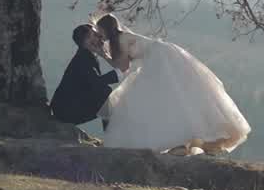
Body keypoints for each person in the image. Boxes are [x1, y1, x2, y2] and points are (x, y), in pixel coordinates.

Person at [94, 14, 251, 155]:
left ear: (105, 29)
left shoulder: (119, 41)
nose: (99, 35)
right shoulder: (121, 37)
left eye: (99, 30)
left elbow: (122, 67)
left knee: (161, 97)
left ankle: (180, 141)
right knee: (173, 98)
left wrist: (102, 54)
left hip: (160, 59)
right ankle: (183, 142)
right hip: (165, 54)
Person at [48, 24, 120, 129]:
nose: (97, 38)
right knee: (105, 94)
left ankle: (111, 134)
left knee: (106, 94)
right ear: (84, 43)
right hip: (65, 110)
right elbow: (96, 83)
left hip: (66, 107)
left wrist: (103, 55)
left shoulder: (87, 55)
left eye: (95, 35)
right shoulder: (83, 58)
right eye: (91, 37)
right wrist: (118, 74)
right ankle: (111, 136)